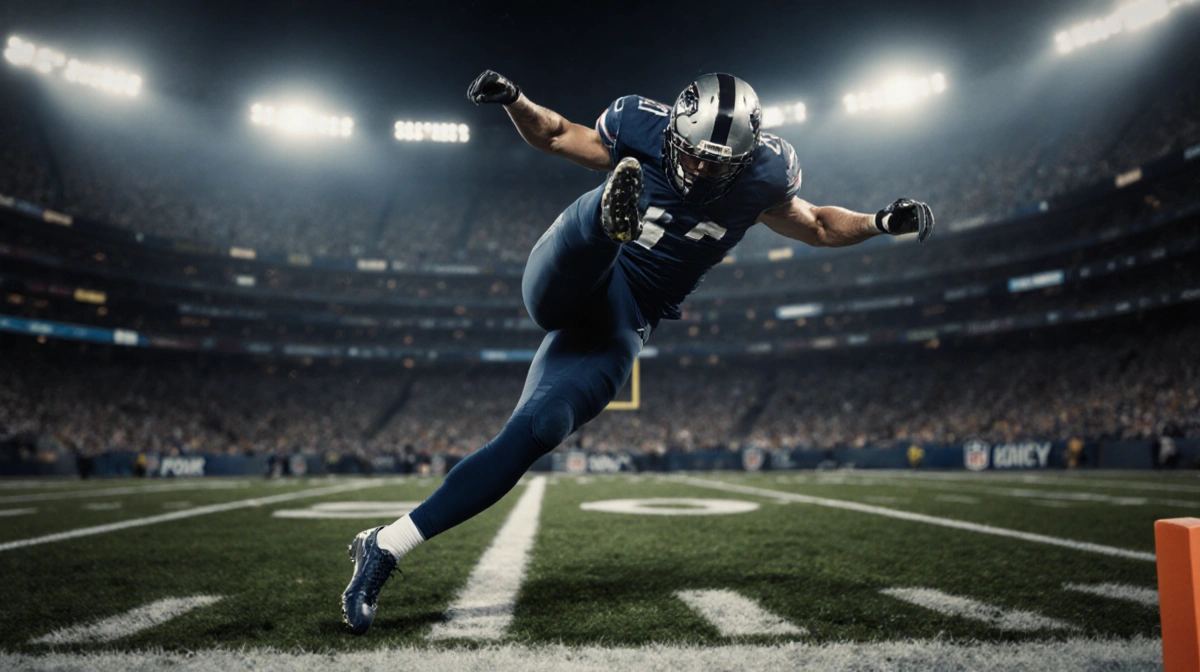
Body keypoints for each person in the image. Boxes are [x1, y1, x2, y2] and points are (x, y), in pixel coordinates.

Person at [340, 70, 935, 634]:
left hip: (631, 314)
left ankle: (385, 544)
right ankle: (605, 219)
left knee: (542, 426)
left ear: (744, 158)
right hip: (573, 269)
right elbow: (553, 134)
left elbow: (819, 226)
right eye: (692, 149)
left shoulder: (766, 174)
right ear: (674, 128)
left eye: (715, 160)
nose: (699, 166)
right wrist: (514, 100)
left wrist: (880, 221)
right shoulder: (639, 124)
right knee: (589, 246)